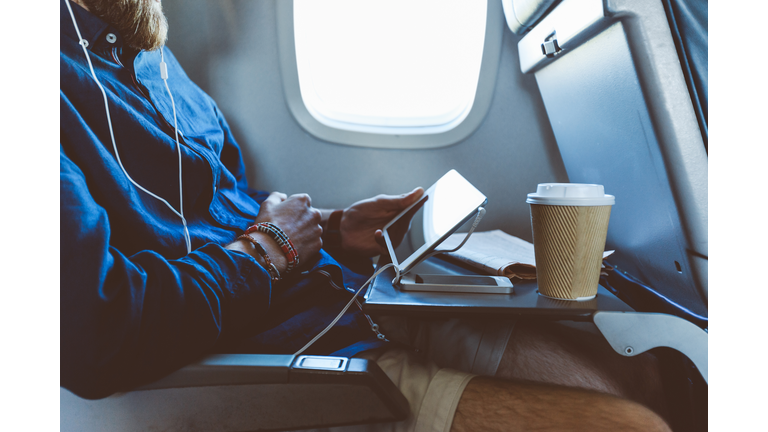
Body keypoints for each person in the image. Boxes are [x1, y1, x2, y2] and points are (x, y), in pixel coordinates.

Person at [59, 1, 672, 430]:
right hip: (272, 364)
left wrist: (328, 228)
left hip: (343, 302)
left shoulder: (157, 60)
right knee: (632, 425)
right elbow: (97, 329)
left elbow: (222, 213)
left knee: (648, 380)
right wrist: (273, 250)